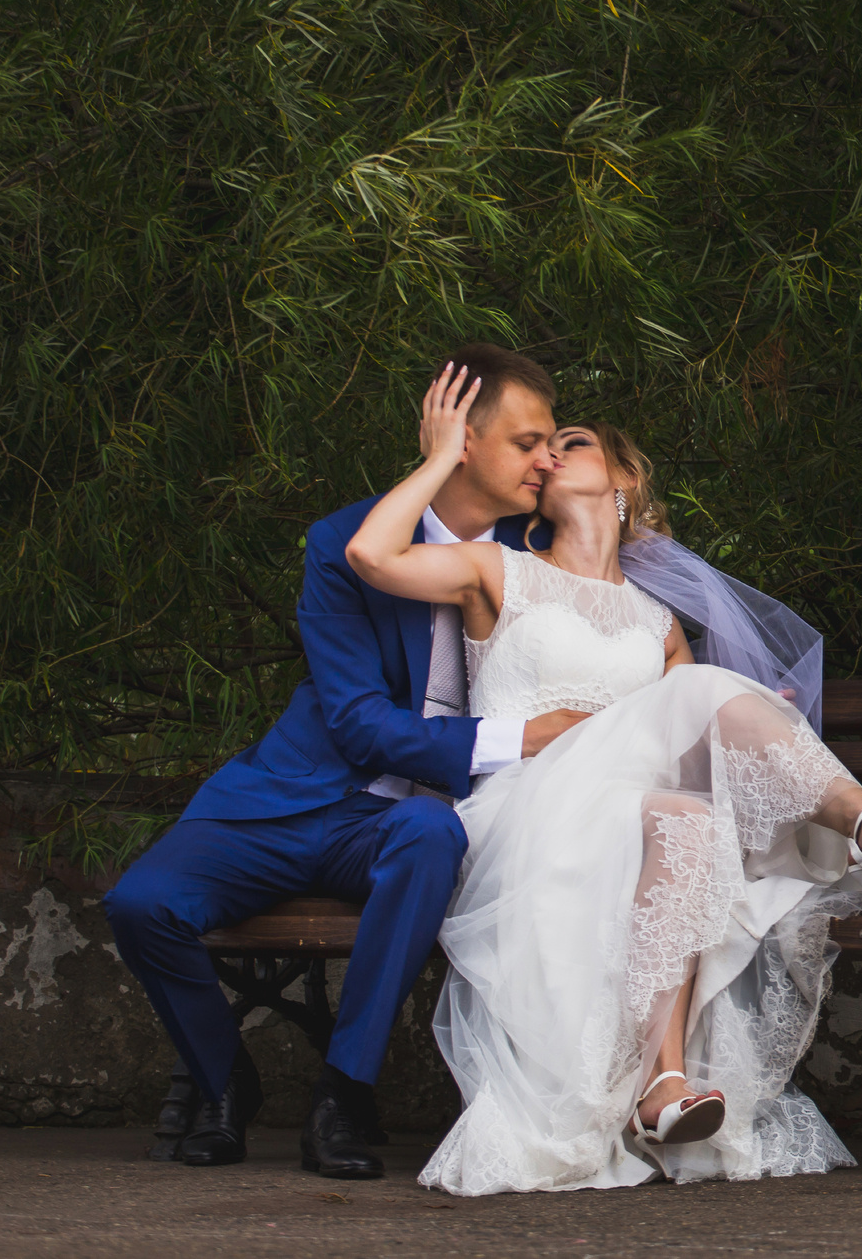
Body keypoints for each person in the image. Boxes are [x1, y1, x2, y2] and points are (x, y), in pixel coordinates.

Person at [344, 364, 862, 1194]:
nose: (549, 453)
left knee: (690, 816)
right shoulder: (496, 570)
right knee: (696, 695)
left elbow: (684, 752)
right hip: (528, 810)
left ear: (623, 481)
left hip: (632, 817)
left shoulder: (659, 622)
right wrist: (445, 454)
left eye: (571, 442)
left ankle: (661, 1084)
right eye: (540, 444)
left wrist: (755, 721)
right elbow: (371, 553)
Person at [104, 344, 599, 1178]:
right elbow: (362, 725)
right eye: (527, 442)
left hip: (402, 822)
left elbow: (631, 583)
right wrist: (526, 735)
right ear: (462, 442)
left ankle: (341, 1090)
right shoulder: (346, 543)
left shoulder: (540, 546)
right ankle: (227, 1084)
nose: (547, 459)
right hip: (295, 793)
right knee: (140, 903)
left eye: (553, 441)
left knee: (429, 834)